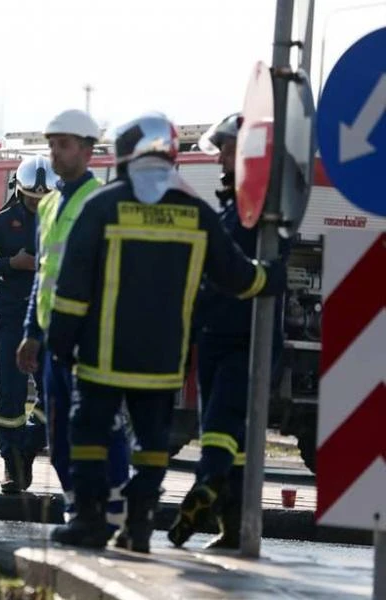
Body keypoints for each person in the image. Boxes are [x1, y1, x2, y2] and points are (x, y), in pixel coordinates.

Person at [46, 112, 286, 554]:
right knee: (153, 443)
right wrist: (270, 277)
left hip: (103, 354)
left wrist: (59, 342)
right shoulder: (196, 210)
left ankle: (90, 520)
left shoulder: (102, 206)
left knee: (89, 434)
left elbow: (73, 288)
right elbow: (234, 275)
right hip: (163, 360)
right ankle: (139, 524)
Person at [168, 112, 289, 550]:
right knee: (228, 432)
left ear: (253, 153)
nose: (220, 156)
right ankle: (230, 525)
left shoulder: (265, 211)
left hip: (249, 337)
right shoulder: (230, 208)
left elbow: (250, 269)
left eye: (228, 148)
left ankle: (207, 482)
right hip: (216, 335)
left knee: (222, 422)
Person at [17, 110, 130, 532]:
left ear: (87, 150)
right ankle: (77, 512)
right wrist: (31, 333)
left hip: (90, 340)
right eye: (52, 145)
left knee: (104, 432)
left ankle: (114, 515)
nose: (55, 153)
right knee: (59, 439)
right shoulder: (47, 206)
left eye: (63, 145)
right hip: (51, 341)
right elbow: (43, 275)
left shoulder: (101, 202)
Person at [0, 155, 54, 494]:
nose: (37, 204)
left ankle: (29, 447)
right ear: (19, 192)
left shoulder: (62, 220)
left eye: (43, 199)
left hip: (50, 315)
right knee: (10, 390)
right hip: (13, 315)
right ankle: (11, 463)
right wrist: (12, 263)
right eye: (32, 198)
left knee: (54, 390)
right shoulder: (3, 223)